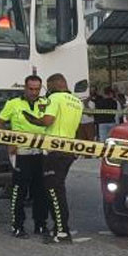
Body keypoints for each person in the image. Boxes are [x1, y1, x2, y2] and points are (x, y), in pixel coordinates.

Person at [25, 73, 83, 244]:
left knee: (54, 191)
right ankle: (58, 228)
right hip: (68, 150)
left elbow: (48, 120)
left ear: (50, 86)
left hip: (54, 150)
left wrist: (33, 120)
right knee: (58, 189)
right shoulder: (77, 102)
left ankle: (62, 231)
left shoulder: (55, 99)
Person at [0, 75, 49, 239]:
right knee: (19, 190)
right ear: (25, 88)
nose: (34, 92)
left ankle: (40, 225)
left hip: (41, 152)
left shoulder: (45, 103)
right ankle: (17, 226)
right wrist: (9, 139)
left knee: (41, 191)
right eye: (31, 89)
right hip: (21, 153)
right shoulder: (13, 104)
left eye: (37, 89)